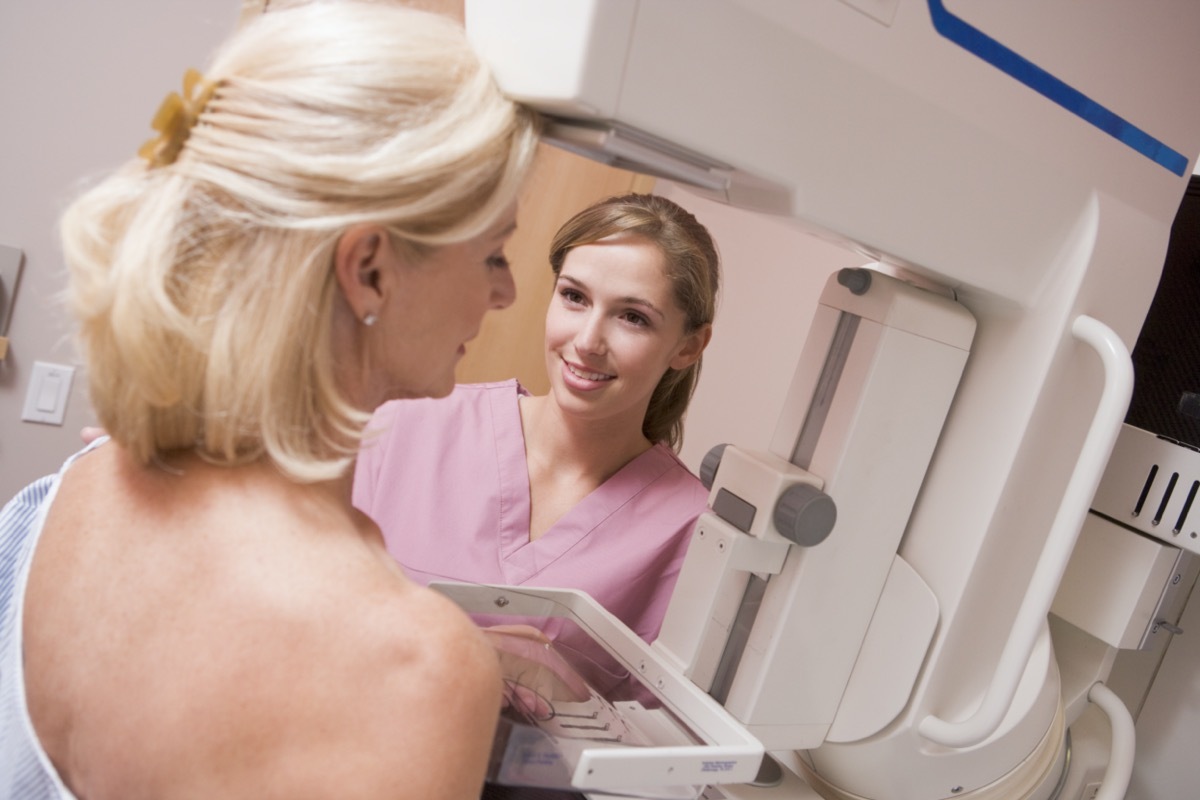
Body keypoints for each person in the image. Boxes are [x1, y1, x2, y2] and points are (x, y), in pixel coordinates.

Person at [0, 3, 539, 799]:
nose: (507, 292)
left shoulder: (69, 492)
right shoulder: (416, 670)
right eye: (493, 253)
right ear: (370, 270)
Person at [353, 193, 720, 655]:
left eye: (633, 317)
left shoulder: (690, 530)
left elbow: (652, 701)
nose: (587, 342)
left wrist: (555, 681)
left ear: (688, 347)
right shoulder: (405, 423)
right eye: (574, 297)